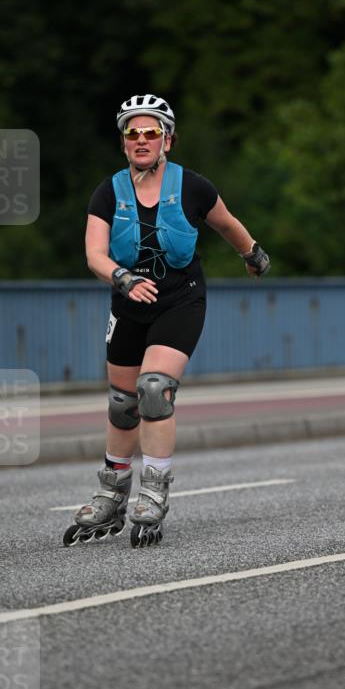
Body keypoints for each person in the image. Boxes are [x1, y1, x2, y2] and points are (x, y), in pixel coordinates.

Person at [63, 93, 270, 548]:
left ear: (167, 140)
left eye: (151, 132)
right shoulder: (108, 192)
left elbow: (227, 223)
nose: (141, 139)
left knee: (154, 390)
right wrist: (119, 276)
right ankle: (112, 493)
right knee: (123, 404)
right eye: (132, 133)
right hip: (128, 304)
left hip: (181, 301)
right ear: (123, 144)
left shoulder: (193, 186)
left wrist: (252, 254)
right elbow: (94, 254)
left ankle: (153, 490)